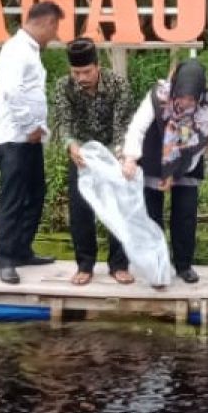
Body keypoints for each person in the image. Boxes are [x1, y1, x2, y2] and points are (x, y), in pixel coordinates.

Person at [121, 59, 208, 284]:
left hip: (187, 156)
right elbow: (137, 128)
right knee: (152, 214)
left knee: (185, 213)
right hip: (155, 152)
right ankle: (156, 265)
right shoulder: (157, 95)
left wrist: (175, 172)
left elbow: (197, 148)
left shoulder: (206, 109)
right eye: (181, 96)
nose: (185, 102)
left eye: (191, 98)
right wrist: (130, 158)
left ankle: (184, 265)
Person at [51, 37, 136, 286]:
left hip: (112, 153)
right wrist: (71, 145)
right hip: (81, 156)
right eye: (76, 72)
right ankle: (85, 265)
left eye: (86, 71)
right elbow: (63, 123)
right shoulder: (63, 86)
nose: (81, 77)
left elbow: (122, 126)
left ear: (97, 66)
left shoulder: (118, 84)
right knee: (80, 210)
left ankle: (119, 264)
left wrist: (120, 156)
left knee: (118, 209)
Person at [0, 0, 65, 284]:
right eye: (55, 27)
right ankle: (6, 260)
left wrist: (37, 130)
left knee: (36, 193)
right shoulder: (16, 50)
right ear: (46, 22)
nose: (55, 34)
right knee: (13, 198)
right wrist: (29, 126)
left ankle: (22, 250)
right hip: (14, 138)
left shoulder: (30, 51)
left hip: (29, 139)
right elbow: (11, 92)